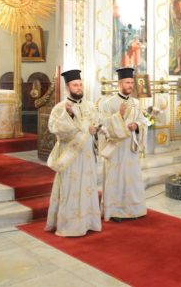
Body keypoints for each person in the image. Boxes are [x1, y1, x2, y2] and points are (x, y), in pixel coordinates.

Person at [45, 69, 102, 237]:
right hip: (71, 157)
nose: (79, 87)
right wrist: (68, 114)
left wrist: (95, 130)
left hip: (88, 156)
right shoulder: (59, 108)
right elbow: (53, 128)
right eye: (75, 85)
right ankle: (69, 226)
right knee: (70, 190)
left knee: (88, 189)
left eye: (80, 84)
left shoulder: (90, 106)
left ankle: (88, 222)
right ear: (67, 87)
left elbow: (97, 124)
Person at [99, 67, 147, 222]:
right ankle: (115, 212)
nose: (130, 85)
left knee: (131, 179)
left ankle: (133, 210)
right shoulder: (108, 103)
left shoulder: (136, 103)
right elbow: (103, 125)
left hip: (130, 147)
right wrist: (118, 115)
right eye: (127, 82)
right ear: (119, 84)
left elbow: (143, 121)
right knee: (116, 179)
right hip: (116, 148)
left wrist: (137, 126)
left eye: (132, 82)